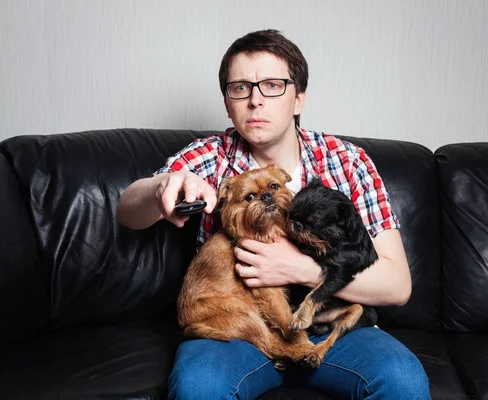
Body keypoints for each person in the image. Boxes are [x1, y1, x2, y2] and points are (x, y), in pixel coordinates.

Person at [117, 29, 430, 400]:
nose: (255, 101)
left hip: (331, 327)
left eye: (272, 85)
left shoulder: (347, 162)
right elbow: (127, 212)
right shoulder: (209, 157)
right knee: (199, 385)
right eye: (240, 88)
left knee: (402, 379)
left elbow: (397, 285)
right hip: (238, 334)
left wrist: (301, 269)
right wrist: (161, 187)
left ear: (298, 98)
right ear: (227, 103)